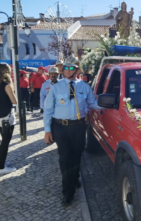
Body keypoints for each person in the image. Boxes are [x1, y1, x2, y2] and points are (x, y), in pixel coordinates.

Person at [44, 55, 101, 206]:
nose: (67, 71)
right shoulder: (56, 87)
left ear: (76, 70)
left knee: (77, 156)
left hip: (78, 126)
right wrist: (47, 130)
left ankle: (74, 178)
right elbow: (48, 109)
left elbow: (92, 104)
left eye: (71, 68)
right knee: (64, 158)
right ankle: (67, 193)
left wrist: (109, 107)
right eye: (65, 68)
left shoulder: (84, 87)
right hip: (60, 127)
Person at [0, 63, 18, 174]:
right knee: (5, 143)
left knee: (3, 142)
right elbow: (14, 101)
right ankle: (1, 168)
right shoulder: (6, 85)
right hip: (6, 117)